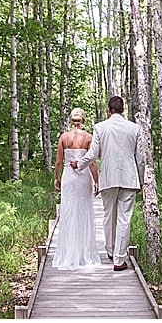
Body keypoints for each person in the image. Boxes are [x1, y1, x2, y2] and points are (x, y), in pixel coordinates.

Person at [72, 95, 144, 271]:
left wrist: (79, 164)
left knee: (108, 216)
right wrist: (140, 181)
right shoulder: (135, 128)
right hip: (129, 179)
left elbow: (93, 154)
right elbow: (141, 159)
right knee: (124, 219)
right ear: (123, 109)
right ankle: (119, 259)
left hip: (108, 178)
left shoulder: (100, 127)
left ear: (108, 110)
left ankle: (111, 250)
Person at [52, 108, 101, 270]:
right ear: (84, 120)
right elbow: (92, 161)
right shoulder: (88, 137)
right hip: (83, 176)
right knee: (83, 211)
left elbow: (59, 161)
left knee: (69, 210)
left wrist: (56, 177)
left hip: (69, 177)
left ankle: (68, 252)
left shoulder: (64, 137)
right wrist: (96, 181)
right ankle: (82, 252)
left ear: (70, 120)